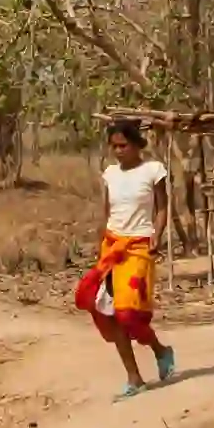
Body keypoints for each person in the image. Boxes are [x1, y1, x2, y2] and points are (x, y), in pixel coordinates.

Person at [75, 117, 178, 397]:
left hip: (139, 248)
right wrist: (101, 246)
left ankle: (160, 350)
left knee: (128, 313)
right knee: (107, 312)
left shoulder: (153, 170)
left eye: (123, 145)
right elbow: (108, 212)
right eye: (114, 146)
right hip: (112, 247)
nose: (118, 151)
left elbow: (161, 208)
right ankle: (134, 377)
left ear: (136, 144)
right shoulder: (110, 174)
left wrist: (158, 233)